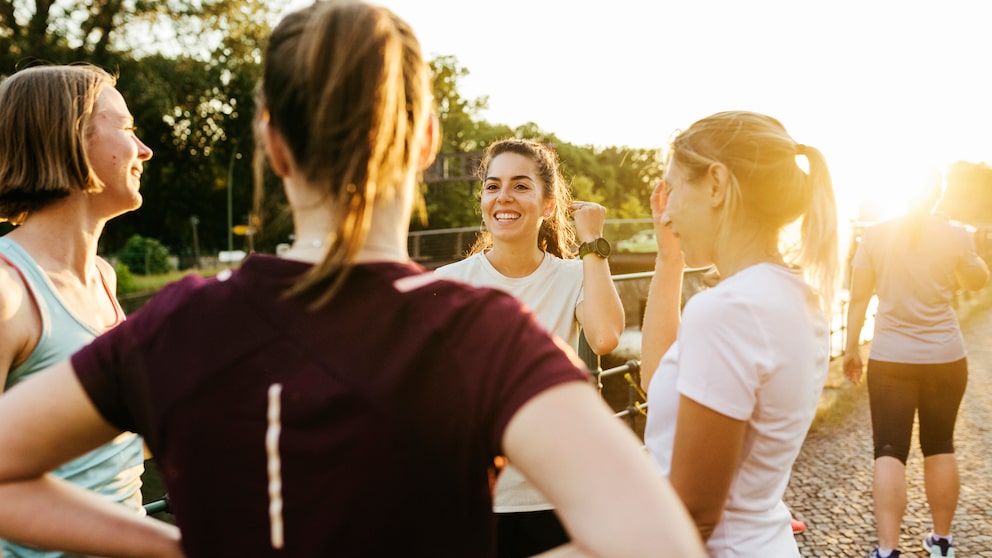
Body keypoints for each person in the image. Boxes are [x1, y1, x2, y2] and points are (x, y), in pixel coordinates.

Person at [0, 2, 706, 557]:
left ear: (274, 147)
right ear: (426, 138)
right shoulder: (480, 332)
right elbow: (656, 540)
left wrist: (177, 545)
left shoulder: (177, 324)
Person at [640, 110, 838, 556]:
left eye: (672, 189)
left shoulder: (727, 311)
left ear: (715, 184)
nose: (666, 212)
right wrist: (669, 259)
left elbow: (694, 515)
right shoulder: (793, 296)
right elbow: (661, 384)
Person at [434, 138, 626, 557]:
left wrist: (593, 243)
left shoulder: (574, 275)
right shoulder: (448, 283)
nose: (503, 197)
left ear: (549, 205)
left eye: (521, 186)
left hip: (558, 493)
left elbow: (606, 336)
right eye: (492, 186)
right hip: (474, 496)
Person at [0, 64, 151, 557]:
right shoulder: (7, 290)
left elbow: (109, 445)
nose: (144, 150)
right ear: (71, 139)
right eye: (127, 128)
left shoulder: (103, 279)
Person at [844, 177, 988, 558]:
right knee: (940, 445)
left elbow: (858, 297)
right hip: (945, 357)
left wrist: (850, 350)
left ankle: (888, 550)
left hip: (891, 358)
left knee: (889, 450)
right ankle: (942, 543)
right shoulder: (956, 235)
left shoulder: (874, 236)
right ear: (939, 192)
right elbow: (977, 282)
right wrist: (968, 257)